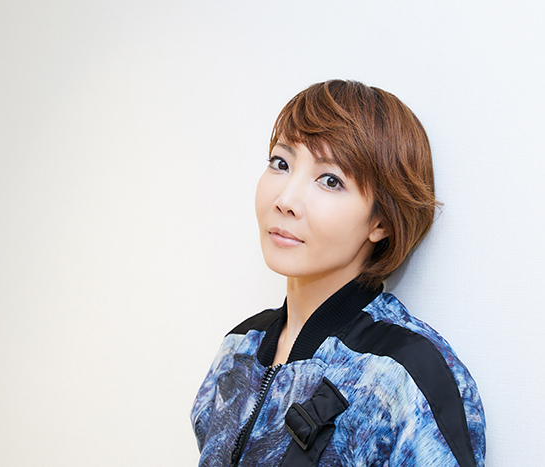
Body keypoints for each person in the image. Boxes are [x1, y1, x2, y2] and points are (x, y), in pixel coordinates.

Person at [191, 80, 486, 467]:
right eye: (281, 163)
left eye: (330, 180)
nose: (285, 200)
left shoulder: (406, 376)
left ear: (380, 221)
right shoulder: (238, 349)